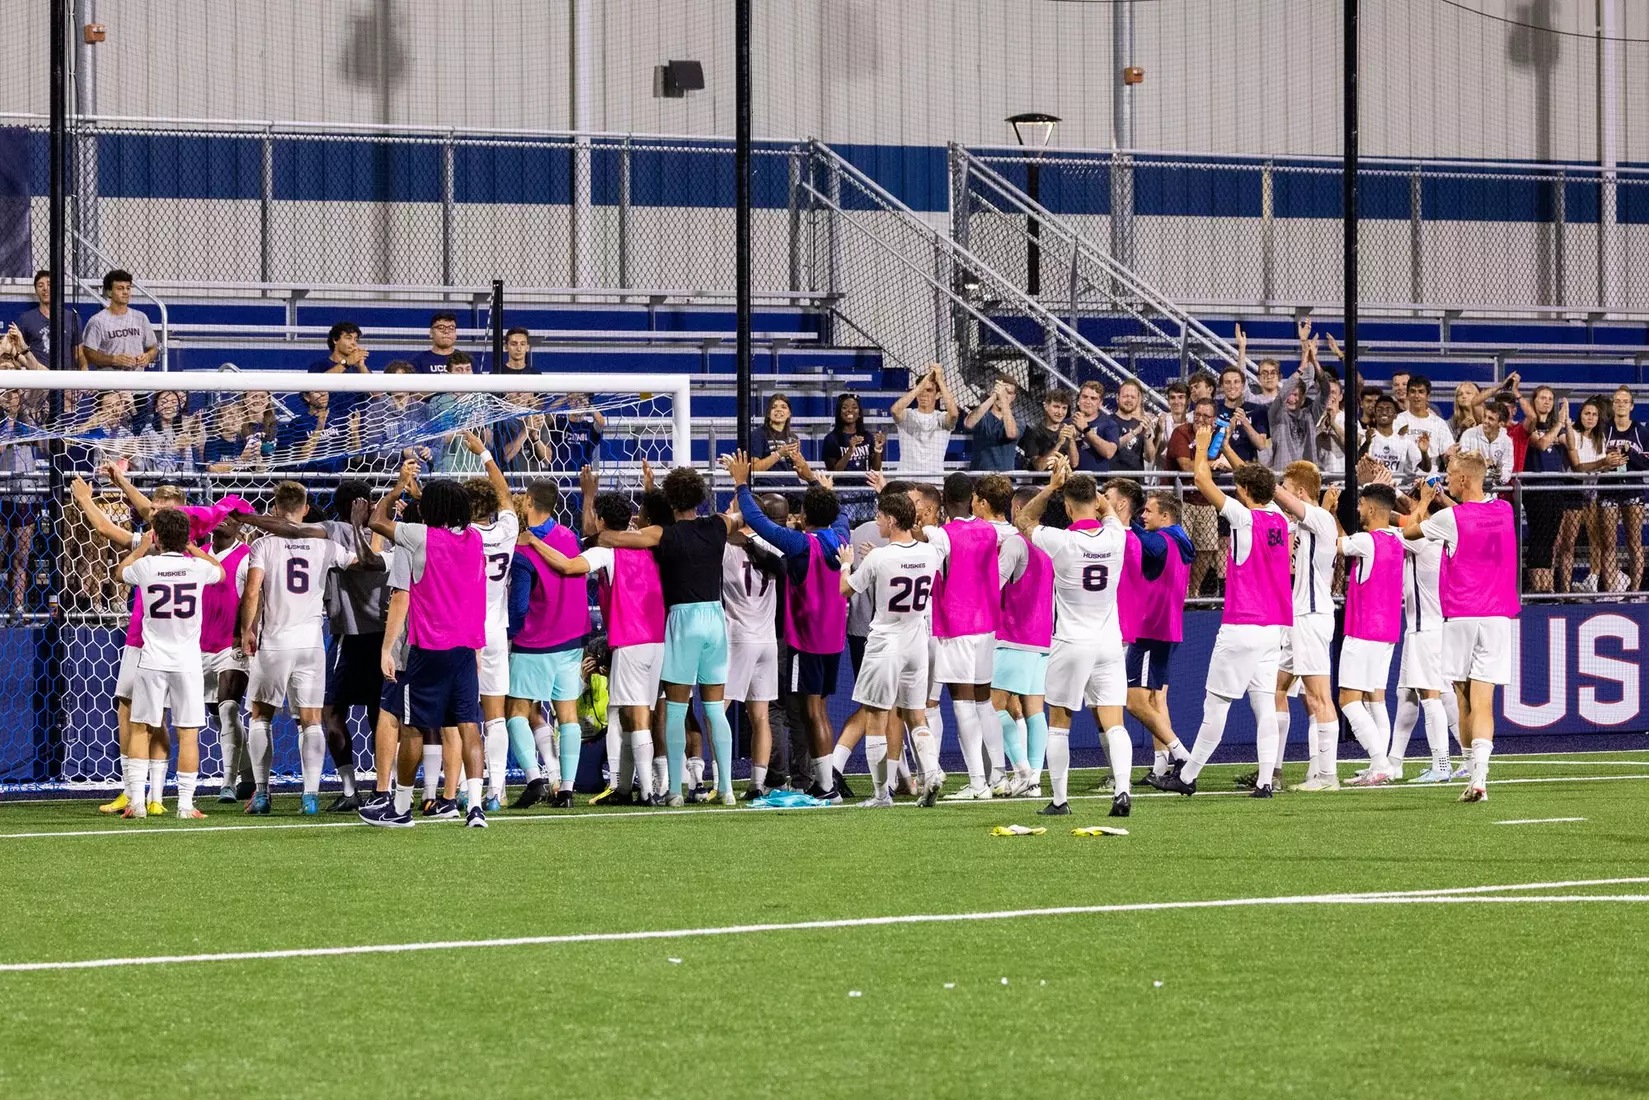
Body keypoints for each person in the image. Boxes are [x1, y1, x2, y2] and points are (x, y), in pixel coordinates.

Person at [1153, 427, 1291, 798]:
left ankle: (1187, 776)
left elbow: (1200, 478)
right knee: (1264, 706)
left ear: (1244, 492)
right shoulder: (1279, 517)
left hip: (1243, 624)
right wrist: (1229, 452)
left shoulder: (1245, 520)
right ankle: (1265, 781)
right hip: (1273, 628)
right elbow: (1257, 481)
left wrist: (1201, 444)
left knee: (1216, 705)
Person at [597, 465, 742, 805]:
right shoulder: (719, 524)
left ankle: (675, 790)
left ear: (671, 501)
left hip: (682, 619)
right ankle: (728, 790)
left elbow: (612, 538)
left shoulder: (663, 534)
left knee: (675, 710)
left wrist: (612, 530)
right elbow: (743, 517)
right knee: (715, 709)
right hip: (715, 617)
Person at [524, 485, 667, 806]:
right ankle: (624, 789)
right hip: (656, 639)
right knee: (621, 713)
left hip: (632, 638)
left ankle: (646, 792)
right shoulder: (647, 544)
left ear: (601, 521)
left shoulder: (608, 550)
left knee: (636, 715)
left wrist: (533, 541)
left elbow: (569, 566)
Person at [362, 471, 490, 827]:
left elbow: (376, 520)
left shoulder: (419, 536)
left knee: (414, 729)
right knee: (468, 726)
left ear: (431, 508)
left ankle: (400, 808)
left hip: (428, 648)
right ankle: (475, 808)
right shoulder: (476, 539)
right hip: (465, 647)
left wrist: (399, 488)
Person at [730, 450, 851, 800]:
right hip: (833, 638)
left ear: (804, 515)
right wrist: (812, 478)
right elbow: (840, 511)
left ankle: (827, 786)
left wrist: (741, 484)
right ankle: (822, 780)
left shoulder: (801, 545)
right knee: (820, 709)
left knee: (810, 712)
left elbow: (762, 522)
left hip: (808, 639)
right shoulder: (840, 535)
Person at [1014, 459, 1132, 818]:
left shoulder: (1062, 541)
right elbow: (1108, 508)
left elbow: (1023, 522)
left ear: (1066, 507)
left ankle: (1061, 801)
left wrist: (1052, 486)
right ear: (1096, 503)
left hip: (1072, 641)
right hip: (1110, 642)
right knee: (1114, 721)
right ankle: (1123, 792)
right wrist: (1087, 490)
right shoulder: (1117, 536)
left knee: (1060, 722)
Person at [1403, 451, 1520, 802]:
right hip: (1498, 617)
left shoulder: (1451, 518)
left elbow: (1410, 531)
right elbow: (1472, 512)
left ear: (1464, 480)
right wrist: (1445, 498)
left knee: (1463, 697)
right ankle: (1479, 778)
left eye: (1452, 476)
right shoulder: (1504, 510)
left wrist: (1426, 501)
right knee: (1484, 700)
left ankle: (1471, 774)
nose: (1448, 480)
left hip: (1462, 615)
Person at [238, 481, 360, 815]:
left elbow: (252, 592)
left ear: (275, 508)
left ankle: (262, 794)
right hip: (310, 643)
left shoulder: (263, 545)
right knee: (311, 720)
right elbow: (360, 562)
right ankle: (310, 796)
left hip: (274, 642)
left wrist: (247, 629)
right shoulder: (325, 545)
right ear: (305, 510)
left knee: (261, 715)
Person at [116, 510, 225, 819]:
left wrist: (141, 547)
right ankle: (186, 806)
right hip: (187, 663)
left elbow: (119, 572)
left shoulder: (147, 566)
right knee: (188, 734)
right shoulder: (197, 568)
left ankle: (137, 803)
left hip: (151, 661)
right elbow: (220, 572)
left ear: (157, 537)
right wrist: (193, 548)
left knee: (141, 728)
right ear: (186, 538)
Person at [924, 472, 1022, 802]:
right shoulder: (990, 531)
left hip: (956, 626)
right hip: (986, 625)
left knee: (963, 704)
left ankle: (978, 783)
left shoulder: (942, 536)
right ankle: (999, 776)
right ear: (972, 498)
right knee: (983, 703)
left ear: (942, 499)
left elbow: (928, 569)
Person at [839, 490, 941, 807]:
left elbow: (844, 590)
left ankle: (882, 794)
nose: (877, 521)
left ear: (892, 519)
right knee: (916, 714)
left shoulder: (879, 557)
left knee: (875, 716)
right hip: (916, 641)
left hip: (885, 641)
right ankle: (932, 772)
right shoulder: (930, 553)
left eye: (881, 516)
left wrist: (846, 565)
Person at [505, 477, 590, 808]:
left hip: (537, 640)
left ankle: (534, 779)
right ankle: (567, 790)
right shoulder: (569, 537)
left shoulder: (525, 549)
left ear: (527, 501)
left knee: (517, 710)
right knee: (566, 714)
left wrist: (510, 631)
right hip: (572, 640)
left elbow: (520, 604)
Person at [454, 437, 520, 811]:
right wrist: (484, 453)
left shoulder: (461, 538)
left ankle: (465, 785)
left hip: (464, 632)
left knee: (463, 714)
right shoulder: (508, 530)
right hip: (496, 631)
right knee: (495, 716)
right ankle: (497, 790)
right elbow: (506, 495)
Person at [1269, 461, 1340, 792]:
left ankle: (1327, 777)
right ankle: (1277, 769)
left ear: (1298, 491)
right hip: (1296, 617)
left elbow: (1278, 496)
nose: (1282, 491)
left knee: (1318, 697)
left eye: (1286, 485)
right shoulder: (1301, 525)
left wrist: (1262, 479)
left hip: (1312, 616)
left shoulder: (1322, 518)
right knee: (1276, 689)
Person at [1330, 485, 1406, 789]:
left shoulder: (1366, 540)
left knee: (1348, 700)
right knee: (1375, 699)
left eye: (1361, 505)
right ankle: (1379, 764)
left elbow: (1335, 544)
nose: (1359, 510)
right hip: (1387, 630)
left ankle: (1380, 762)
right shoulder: (1398, 539)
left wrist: (1330, 512)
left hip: (1363, 629)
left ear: (1372, 509)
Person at [1120, 488, 1195, 786]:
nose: (1143, 515)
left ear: (1165, 516)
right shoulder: (1180, 539)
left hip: (1151, 630)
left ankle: (1184, 758)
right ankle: (1161, 767)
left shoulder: (1164, 540)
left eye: (1149, 511)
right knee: (1156, 698)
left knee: (1135, 703)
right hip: (1167, 629)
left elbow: (1145, 542)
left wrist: (1121, 518)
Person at [991, 485, 1055, 797]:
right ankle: (1034, 781)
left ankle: (1023, 770)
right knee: (1034, 710)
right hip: (1043, 637)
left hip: (1013, 636)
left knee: (993, 707)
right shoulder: (1053, 544)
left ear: (1018, 510)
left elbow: (994, 586)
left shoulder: (1016, 544)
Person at [722, 495, 786, 799]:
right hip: (766, 640)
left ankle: (720, 781)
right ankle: (757, 784)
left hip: (737, 638)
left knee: (716, 709)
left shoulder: (726, 548)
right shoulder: (773, 546)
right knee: (761, 715)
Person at [1394, 496, 1460, 785]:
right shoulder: (1446, 538)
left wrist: (1421, 500)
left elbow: (1398, 526)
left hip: (1425, 630)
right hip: (1435, 627)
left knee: (1430, 696)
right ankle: (1395, 762)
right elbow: (1404, 517)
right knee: (1416, 693)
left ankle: (1441, 764)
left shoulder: (1422, 540)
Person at [198, 514, 253, 803]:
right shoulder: (198, 554)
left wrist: (245, 633)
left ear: (239, 526)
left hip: (231, 646)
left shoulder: (247, 557)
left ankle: (227, 783)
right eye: (219, 515)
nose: (223, 521)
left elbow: (254, 599)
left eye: (230, 517)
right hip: (200, 645)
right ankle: (248, 773)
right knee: (217, 715)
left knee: (229, 707)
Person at [1166, 398, 1225, 595]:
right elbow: (1187, 467)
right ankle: (1178, 590)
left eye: (1205, 416)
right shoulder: (1181, 432)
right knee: (1180, 548)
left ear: (1214, 420)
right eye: (1197, 414)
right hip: (1181, 500)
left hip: (1206, 499)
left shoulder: (1218, 436)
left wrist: (1223, 461)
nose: (1200, 419)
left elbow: (1227, 461)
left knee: (1207, 549)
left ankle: (1194, 590)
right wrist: (1215, 464)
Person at [0, 383, 45, 622]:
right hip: (1, 495)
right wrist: (7, 421)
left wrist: (24, 416)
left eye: (15, 393)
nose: (10, 398)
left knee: (20, 556)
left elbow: (44, 445)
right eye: (6, 394)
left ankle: (17, 607)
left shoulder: (28, 423)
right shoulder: (2, 424)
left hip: (25, 496)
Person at [1520, 386, 1571, 594]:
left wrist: (1566, 420)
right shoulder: (1530, 425)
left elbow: (1572, 446)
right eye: (1542, 398)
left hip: (1555, 488)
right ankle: (1537, 586)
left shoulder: (1556, 427)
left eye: (1550, 398)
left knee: (1551, 538)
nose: (1547, 402)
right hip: (1536, 490)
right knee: (1539, 537)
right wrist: (1558, 425)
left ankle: (1547, 585)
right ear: (1534, 401)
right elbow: (1541, 444)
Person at [1600, 386, 1648, 591]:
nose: (1620, 404)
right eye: (1617, 401)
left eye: (1625, 401)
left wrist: (1630, 455)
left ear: (1632, 406)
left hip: (1633, 490)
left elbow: (1646, 463)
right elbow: (1595, 458)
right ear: (1612, 404)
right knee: (1609, 542)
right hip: (1609, 488)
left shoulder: (1641, 431)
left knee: (1633, 541)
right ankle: (1611, 590)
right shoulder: (1604, 429)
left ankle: (1636, 590)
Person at [1565, 397, 1614, 593]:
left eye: (1594, 414)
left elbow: (1603, 466)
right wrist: (1602, 464)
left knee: (1596, 537)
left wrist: (1613, 463)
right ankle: (1565, 588)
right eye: (1587, 413)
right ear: (1580, 415)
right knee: (1569, 542)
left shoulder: (1599, 438)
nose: (1591, 418)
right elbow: (1578, 467)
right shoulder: (1572, 435)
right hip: (1573, 490)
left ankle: (1593, 579)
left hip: (1592, 491)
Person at [1264, 324, 1329, 472]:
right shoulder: (1276, 414)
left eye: (1295, 395)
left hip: (1308, 478)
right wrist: (1302, 365)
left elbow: (1325, 391)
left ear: (1303, 397)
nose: (1291, 398)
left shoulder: (1310, 415)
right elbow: (1281, 397)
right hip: (1283, 479)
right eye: (1289, 394)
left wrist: (1314, 360)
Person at [81, 270, 160, 371]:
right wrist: (114, 359)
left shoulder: (140, 318)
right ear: (109, 292)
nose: (125, 292)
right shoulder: (98, 321)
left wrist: (148, 357)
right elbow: (88, 353)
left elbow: (153, 348)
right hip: (110, 382)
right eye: (120, 288)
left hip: (137, 382)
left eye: (128, 288)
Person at [890, 364, 957, 476]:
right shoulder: (908, 415)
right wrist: (919, 387)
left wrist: (940, 381)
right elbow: (894, 410)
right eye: (921, 390)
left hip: (934, 482)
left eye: (929, 390)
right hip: (907, 482)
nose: (923, 394)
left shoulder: (941, 418)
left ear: (938, 394)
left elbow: (954, 414)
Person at [15, 269, 81, 367]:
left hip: (65, 377)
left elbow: (78, 352)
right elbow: (17, 351)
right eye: (40, 286)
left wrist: (84, 367)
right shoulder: (26, 319)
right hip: (38, 376)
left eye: (49, 284)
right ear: (36, 291)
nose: (45, 288)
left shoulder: (72, 318)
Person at [1087, 378, 1153, 474]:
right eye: (1125, 396)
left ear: (1138, 400)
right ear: (1117, 397)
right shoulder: (1104, 422)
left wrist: (1148, 437)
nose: (1129, 400)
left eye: (1133, 397)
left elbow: (1149, 457)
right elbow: (1109, 449)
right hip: (1112, 481)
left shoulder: (1141, 424)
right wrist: (1134, 432)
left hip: (1136, 482)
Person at [307, 321, 370, 420]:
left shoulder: (359, 369)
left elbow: (378, 395)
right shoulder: (319, 366)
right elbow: (317, 384)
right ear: (335, 340)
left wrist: (362, 366)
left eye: (356, 339)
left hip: (357, 429)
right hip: (329, 429)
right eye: (348, 338)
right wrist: (347, 362)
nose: (353, 343)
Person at [1455, 400, 1515, 488]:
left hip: (1493, 492)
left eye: (1491, 419)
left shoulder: (1506, 441)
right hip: (1469, 489)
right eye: (1485, 416)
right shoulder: (1469, 434)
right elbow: (1462, 464)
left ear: (1501, 424)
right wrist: (1482, 465)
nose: (1485, 421)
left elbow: (1507, 471)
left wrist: (1498, 475)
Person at [1362, 395, 1422, 484]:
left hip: (1396, 491)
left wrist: (1424, 452)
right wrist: (1367, 442)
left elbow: (1424, 467)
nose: (1384, 412)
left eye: (1388, 409)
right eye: (1380, 409)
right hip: (1373, 490)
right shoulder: (1366, 436)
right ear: (1374, 413)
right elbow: (1358, 462)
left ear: (1395, 415)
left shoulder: (1405, 441)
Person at [820, 393, 885, 475]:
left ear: (859, 413)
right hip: (840, 487)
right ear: (839, 412)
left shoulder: (868, 437)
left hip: (866, 487)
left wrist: (877, 450)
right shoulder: (831, 439)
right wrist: (850, 451)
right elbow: (833, 474)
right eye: (844, 407)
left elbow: (875, 470)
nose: (850, 410)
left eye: (854, 407)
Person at [965, 378, 1020, 472]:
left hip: (1005, 480)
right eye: (1002, 391)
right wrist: (993, 397)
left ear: (1013, 397)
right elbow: (968, 424)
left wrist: (1003, 400)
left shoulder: (1018, 420)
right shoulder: (982, 416)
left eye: (1009, 393)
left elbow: (1011, 433)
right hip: (979, 479)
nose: (1003, 395)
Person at [1018, 388, 1078, 472]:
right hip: (1042, 484)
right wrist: (1058, 444)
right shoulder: (1033, 432)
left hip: (1064, 482)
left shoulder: (1066, 429)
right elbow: (1039, 467)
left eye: (1064, 408)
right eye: (1056, 407)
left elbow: (1074, 463)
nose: (1060, 412)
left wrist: (1071, 440)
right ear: (1046, 406)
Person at [1393, 374, 1453, 456]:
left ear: (1427, 396)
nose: (1416, 396)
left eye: (1421, 392)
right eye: (1413, 391)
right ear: (1407, 395)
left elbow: (1447, 455)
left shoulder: (1439, 423)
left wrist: (1450, 456)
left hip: (1433, 468)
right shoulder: (1397, 421)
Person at [750, 393, 802, 474]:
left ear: (789, 413)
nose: (779, 410)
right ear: (768, 413)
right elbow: (753, 469)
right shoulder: (758, 435)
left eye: (783, 407)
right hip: (768, 485)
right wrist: (779, 454)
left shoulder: (793, 438)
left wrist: (798, 461)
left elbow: (799, 471)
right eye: (774, 407)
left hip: (792, 484)